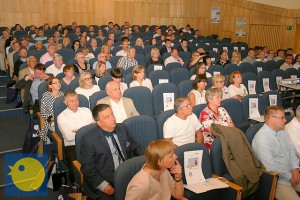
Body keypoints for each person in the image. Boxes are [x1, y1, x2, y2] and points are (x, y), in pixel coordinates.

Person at [80, 103, 143, 199]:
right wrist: (102, 185)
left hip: (126, 174)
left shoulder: (122, 128)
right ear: (99, 123)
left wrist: (151, 156)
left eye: (112, 114)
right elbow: (87, 168)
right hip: (105, 180)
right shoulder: (89, 139)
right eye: (107, 117)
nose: (113, 118)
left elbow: (135, 146)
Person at [252, 106, 300, 200]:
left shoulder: (282, 131)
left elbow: (291, 151)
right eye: (282, 117)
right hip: (277, 180)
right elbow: (271, 167)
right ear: (270, 119)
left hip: (291, 173)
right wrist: (290, 176)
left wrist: (295, 169)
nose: (285, 120)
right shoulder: (261, 139)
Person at [57, 90, 94, 184]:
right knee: (75, 170)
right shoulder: (62, 117)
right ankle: (76, 186)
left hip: (90, 142)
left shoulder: (86, 111)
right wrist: (85, 129)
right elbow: (69, 137)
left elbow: (94, 129)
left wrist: (77, 131)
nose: (75, 103)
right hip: (72, 146)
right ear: (65, 103)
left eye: (76, 100)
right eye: (71, 101)